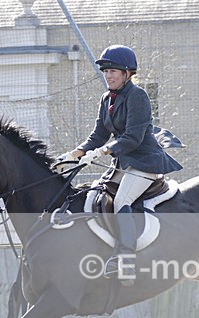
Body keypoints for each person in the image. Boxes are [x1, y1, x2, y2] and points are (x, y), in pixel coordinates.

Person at [58, 45, 182, 285]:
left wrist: (104, 151)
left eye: (113, 71)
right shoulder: (107, 99)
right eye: (106, 71)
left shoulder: (138, 96)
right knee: (96, 194)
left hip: (145, 161)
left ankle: (126, 260)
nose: (108, 75)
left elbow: (133, 138)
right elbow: (98, 134)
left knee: (122, 200)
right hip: (123, 163)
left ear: (127, 73)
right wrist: (77, 152)